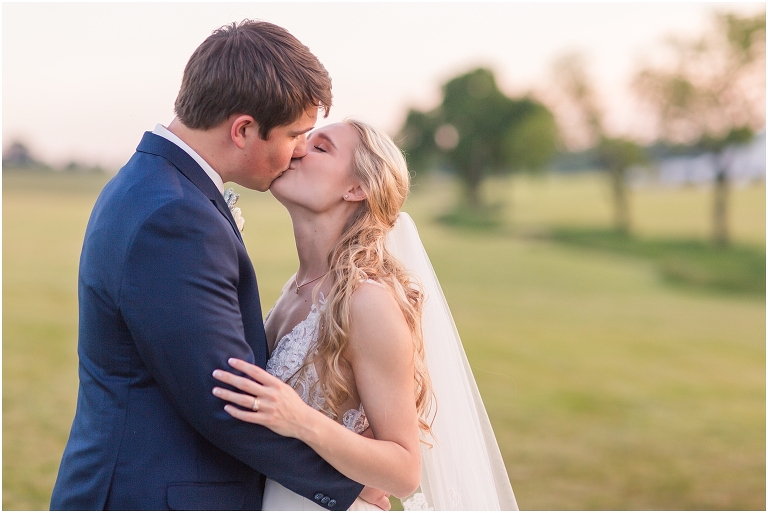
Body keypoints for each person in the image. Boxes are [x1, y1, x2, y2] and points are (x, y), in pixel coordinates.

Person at [50, 21, 389, 511]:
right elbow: (225, 398)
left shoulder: (156, 184)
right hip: (151, 494)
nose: (298, 150)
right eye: (296, 134)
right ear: (244, 129)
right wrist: (346, 487)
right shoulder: (176, 216)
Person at [212, 119, 519, 510]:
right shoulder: (296, 288)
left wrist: (299, 419)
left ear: (356, 188)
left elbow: (404, 470)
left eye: (321, 148)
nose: (300, 149)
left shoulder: (366, 302)